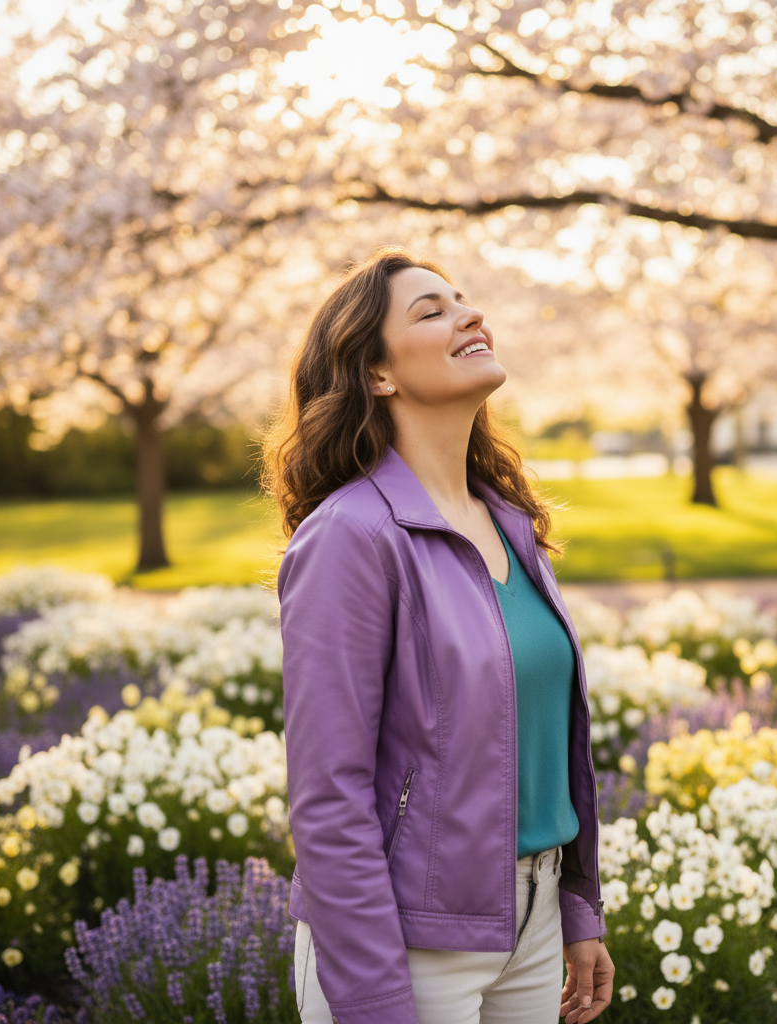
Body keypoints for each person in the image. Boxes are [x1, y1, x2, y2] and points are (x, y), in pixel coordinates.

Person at [264, 246, 614, 1024]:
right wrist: (376, 997)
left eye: (464, 300)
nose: (470, 314)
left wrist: (576, 909)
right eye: (432, 310)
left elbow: (546, 738)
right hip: (406, 947)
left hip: (533, 921)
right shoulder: (351, 536)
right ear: (378, 374)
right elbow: (329, 799)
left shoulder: (510, 524)